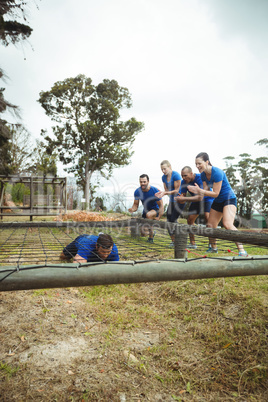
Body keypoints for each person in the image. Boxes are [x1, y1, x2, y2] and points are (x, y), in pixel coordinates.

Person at [188, 152, 248, 256]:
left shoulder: (217, 172)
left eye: (199, 163)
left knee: (227, 224)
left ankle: (242, 251)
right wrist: (198, 191)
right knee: (210, 225)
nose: (197, 166)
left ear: (207, 162)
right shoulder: (203, 175)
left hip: (229, 199)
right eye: (196, 164)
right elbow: (206, 192)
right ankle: (213, 248)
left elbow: (215, 193)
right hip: (218, 201)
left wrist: (200, 191)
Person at [175, 166, 214, 249]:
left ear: (191, 173)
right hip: (196, 201)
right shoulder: (183, 182)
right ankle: (192, 243)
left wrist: (184, 198)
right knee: (189, 220)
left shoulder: (200, 178)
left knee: (208, 218)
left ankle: (212, 244)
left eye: (185, 175)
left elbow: (201, 197)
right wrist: (179, 199)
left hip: (207, 199)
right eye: (182, 176)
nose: (183, 178)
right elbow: (183, 198)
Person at [128, 174, 164, 243]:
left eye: (144, 182)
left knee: (149, 215)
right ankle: (152, 233)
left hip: (155, 209)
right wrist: (132, 209)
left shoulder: (154, 190)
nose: (142, 183)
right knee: (143, 233)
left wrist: (159, 217)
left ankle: (150, 238)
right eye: (141, 182)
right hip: (145, 211)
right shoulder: (137, 192)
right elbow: (135, 205)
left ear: (148, 181)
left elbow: (161, 206)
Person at [155, 160, 182, 247]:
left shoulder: (176, 175)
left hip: (179, 200)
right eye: (162, 169)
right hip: (172, 201)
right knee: (168, 221)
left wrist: (165, 193)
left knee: (173, 220)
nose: (163, 171)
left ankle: (180, 239)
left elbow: (177, 190)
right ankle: (174, 241)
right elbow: (166, 191)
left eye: (165, 169)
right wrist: (161, 193)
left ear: (170, 167)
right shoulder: (163, 177)